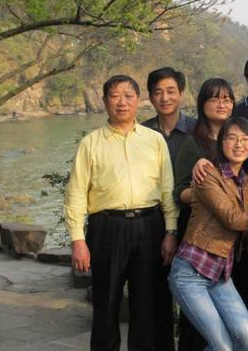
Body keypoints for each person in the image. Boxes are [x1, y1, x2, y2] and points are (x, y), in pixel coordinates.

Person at [65, 75, 178, 351]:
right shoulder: (91, 143)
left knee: (147, 304)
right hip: (106, 228)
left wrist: (171, 231)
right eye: (115, 96)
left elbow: (167, 190)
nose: (122, 102)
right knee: (106, 302)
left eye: (128, 96)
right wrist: (78, 239)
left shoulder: (154, 140)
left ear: (138, 100)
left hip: (149, 226)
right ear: (105, 101)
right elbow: (76, 193)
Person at [168, 117, 248, 351]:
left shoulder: (246, 182)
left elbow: (245, 225)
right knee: (223, 346)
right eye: (232, 138)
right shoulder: (209, 175)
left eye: (246, 139)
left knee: (246, 336)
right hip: (191, 272)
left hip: (220, 273)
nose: (239, 144)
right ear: (221, 143)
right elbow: (232, 218)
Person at [173, 77, 236, 351]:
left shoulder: (238, 140)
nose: (222, 104)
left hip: (232, 238)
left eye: (227, 99)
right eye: (214, 98)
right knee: (196, 317)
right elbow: (178, 192)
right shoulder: (193, 143)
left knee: (229, 313)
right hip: (200, 238)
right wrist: (206, 194)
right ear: (202, 104)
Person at [141, 66, 195, 350]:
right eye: (158, 92)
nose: (165, 97)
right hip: (153, 220)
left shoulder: (196, 130)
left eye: (171, 91)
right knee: (155, 292)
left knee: (191, 293)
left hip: (191, 220)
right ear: (150, 97)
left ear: (181, 94)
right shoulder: (141, 133)